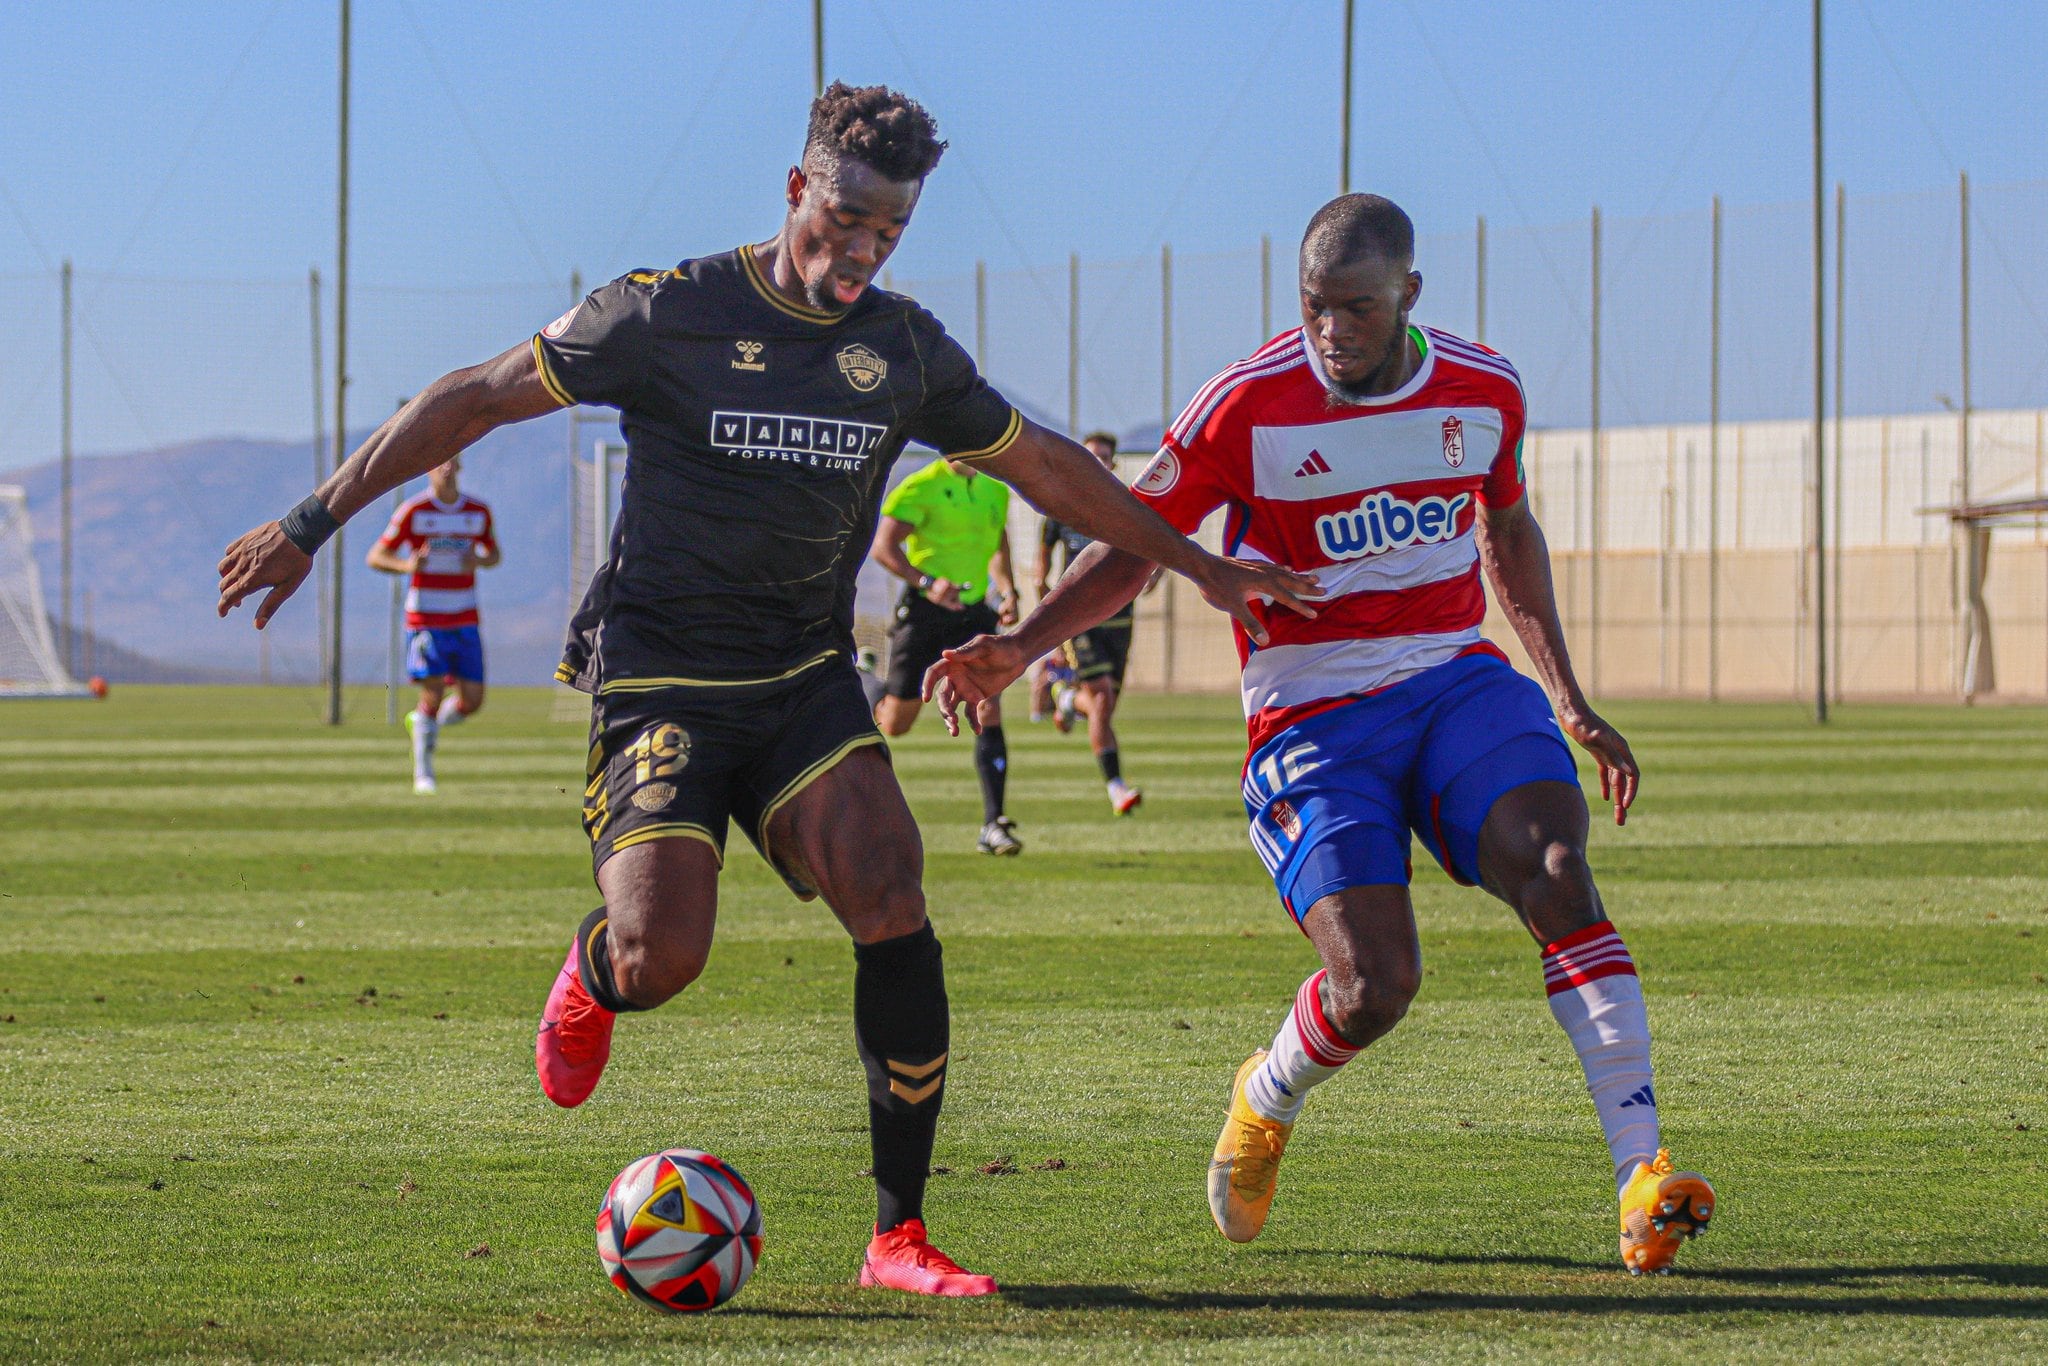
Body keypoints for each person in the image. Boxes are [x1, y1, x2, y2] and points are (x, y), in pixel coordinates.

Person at [216, 82, 1317, 1297]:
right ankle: (594, 975)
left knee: (892, 889)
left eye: (888, 232)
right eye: (845, 218)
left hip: (801, 676)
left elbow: (1049, 467)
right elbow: (472, 396)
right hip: (661, 682)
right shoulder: (663, 312)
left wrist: (1201, 563)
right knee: (662, 958)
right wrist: (311, 520)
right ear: (797, 189)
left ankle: (896, 1235)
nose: (861, 249)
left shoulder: (899, 348)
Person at [923, 194, 1716, 1276]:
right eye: (1312, 306)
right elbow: (1131, 538)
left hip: (1451, 676)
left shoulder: (1483, 391)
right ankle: (1265, 1093)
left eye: (1354, 307)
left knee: (1559, 867)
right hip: (1307, 705)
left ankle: (1640, 1175)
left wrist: (1565, 695)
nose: (1329, 329)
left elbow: (1506, 523)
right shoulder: (1246, 404)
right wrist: (1018, 644)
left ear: (1407, 298)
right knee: (1373, 987)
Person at [869, 456, 1023, 854]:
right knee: (897, 724)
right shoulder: (922, 485)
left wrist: (1006, 591)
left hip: (973, 613)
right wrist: (927, 582)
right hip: (924, 612)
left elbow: (998, 546)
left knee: (988, 704)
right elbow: (883, 547)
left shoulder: (995, 489)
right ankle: (868, 682)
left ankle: (993, 824)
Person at [365, 456, 498, 793]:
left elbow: (494, 554)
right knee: (433, 690)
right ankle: (423, 772)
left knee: (473, 700)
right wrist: (409, 565)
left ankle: (426, 722)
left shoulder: (477, 512)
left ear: (461, 466)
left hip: (465, 614)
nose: (447, 468)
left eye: (452, 461)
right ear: (429, 468)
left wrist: (478, 560)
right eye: (440, 462)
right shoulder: (414, 511)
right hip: (426, 616)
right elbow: (377, 556)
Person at [1036, 431, 1150, 815]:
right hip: (1080, 617)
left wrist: (1155, 572)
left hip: (1120, 619)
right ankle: (1116, 787)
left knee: (1105, 705)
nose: (1098, 462)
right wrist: (1050, 628)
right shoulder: (1059, 506)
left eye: (1105, 457)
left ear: (1114, 464)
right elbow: (1041, 573)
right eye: (1091, 456)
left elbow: (1162, 545)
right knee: (1102, 699)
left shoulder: (1129, 504)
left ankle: (1066, 697)